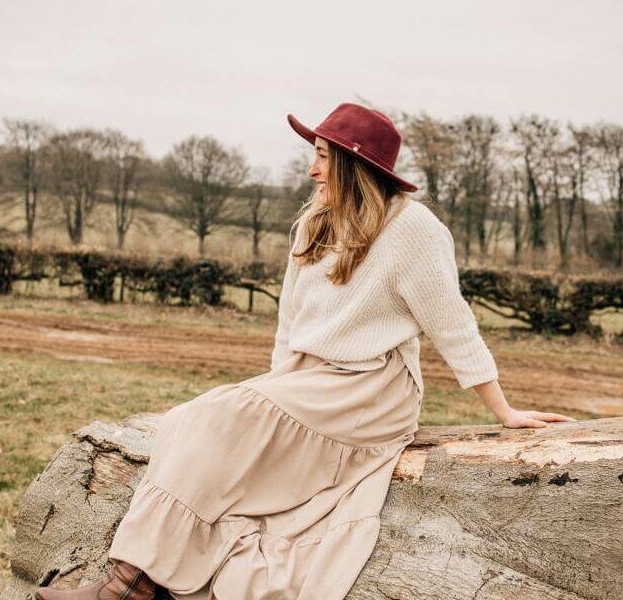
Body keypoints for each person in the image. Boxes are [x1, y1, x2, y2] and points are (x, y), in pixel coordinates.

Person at [35, 102, 575, 600]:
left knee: (211, 417)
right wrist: (272, 393)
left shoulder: (414, 230)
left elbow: (452, 323)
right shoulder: (315, 221)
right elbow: (288, 323)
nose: (312, 170)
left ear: (349, 163)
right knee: (190, 420)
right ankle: (128, 582)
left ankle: (121, 589)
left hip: (371, 390)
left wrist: (502, 410)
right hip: (308, 380)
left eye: (321, 157)